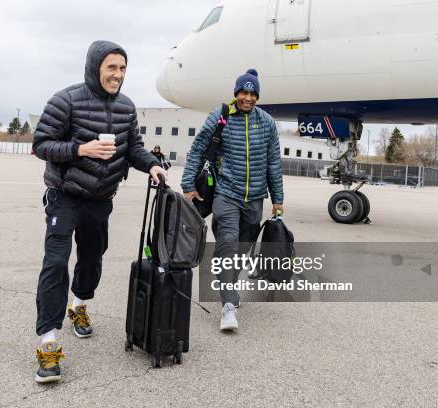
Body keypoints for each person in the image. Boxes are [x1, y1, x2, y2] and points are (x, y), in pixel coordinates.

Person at [31, 40, 167, 383]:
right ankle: (48, 343)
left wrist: (151, 165)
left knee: (92, 259)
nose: (117, 75)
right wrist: (82, 149)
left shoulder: (126, 107)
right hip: (64, 194)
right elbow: (41, 145)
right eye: (111, 68)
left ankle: (79, 306)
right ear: (95, 67)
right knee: (56, 262)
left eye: (122, 68)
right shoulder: (65, 100)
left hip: (100, 197)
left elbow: (132, 147)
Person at [181, 69, 284, 333]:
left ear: (257, 96)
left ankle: (228, 284)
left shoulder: (267, 123)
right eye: (243, 92)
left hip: (255, 199)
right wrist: (188, 184)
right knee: (228, 244)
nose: (247, 98)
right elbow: (198, 150)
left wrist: (278, 199)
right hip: (226, 194)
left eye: (252, 93)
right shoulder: (221, 116)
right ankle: (228, 306)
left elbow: (273, 163)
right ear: (235, 93)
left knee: (241, 248)